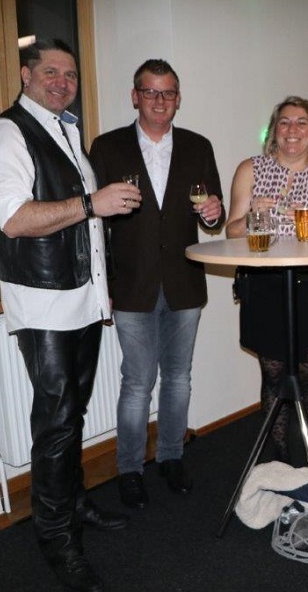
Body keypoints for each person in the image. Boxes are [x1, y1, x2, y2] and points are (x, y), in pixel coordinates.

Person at [0, 39, 138, 592]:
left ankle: (75, 502)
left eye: (70, 74)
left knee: (73, 413)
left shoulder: (65, 131)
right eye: (50, 71)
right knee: (56, 423)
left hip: (82, 300)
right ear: (25, 74)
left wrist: (101, 287)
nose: (62, 81)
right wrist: (93, 203)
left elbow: (82, 226)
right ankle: (55, 537)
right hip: (44, 305)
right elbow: (15, 219)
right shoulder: (5, 134)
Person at [89, 59, 225, 510]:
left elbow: (214, 211)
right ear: (135, 97)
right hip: (131, 285)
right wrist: (102, 281)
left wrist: (214, 214)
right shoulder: (107, 147)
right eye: (151, 92)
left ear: (178, 99)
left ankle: (171, 457)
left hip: (184, 282)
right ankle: (129, 469)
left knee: (179, 378)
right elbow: (94, 226)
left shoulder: (198, 146)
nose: (160, 100)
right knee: (138, 381)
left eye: (168, 93)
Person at [226, 96, 308, 463]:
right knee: (273, 376)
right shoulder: (251, 169)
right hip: (263, 284)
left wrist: (305, 220)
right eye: (284, 122)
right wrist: (252, 215)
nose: (292, 130)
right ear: (273, 130)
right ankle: (278, 459)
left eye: (301, 122)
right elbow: (231, 231)